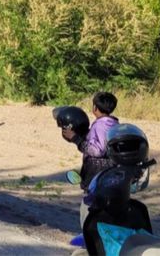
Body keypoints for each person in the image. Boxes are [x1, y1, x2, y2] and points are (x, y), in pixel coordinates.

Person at [62, 92, 119, 228]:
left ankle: (90, 234)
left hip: (97, 172)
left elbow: (97, 150)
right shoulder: (114, 123)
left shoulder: (99, 125)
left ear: (95, 108)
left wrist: (76, 139)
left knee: (90, 207)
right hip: (110, 170)